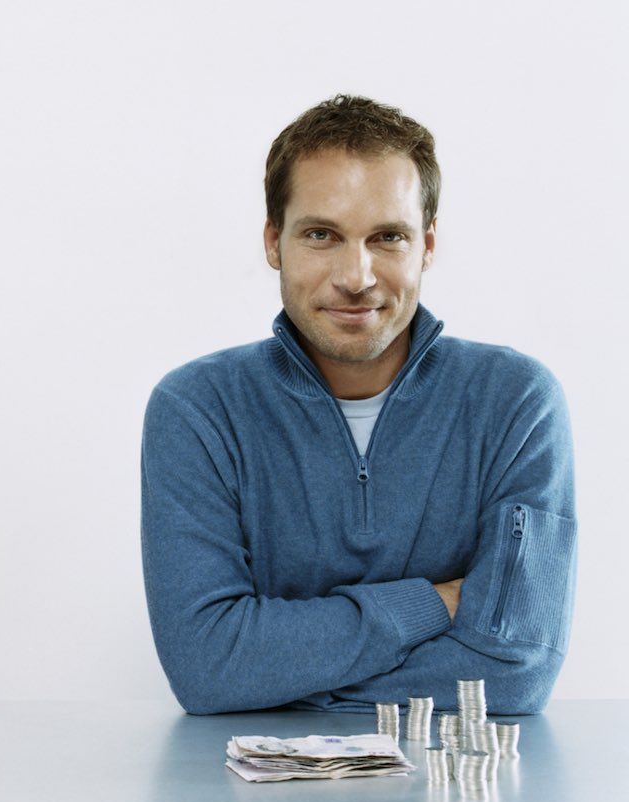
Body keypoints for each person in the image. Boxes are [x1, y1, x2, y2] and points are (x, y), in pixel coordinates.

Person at [140, 94, 577, 715]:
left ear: (426, 246)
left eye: (388, 237)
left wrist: (277, 679)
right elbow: (207, 667)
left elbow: (515, 674)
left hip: (456, 797)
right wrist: (438, 603)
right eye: (322, 234)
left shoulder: (515, 402)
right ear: (274, 242)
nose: (356, 275)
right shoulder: (197, 410)